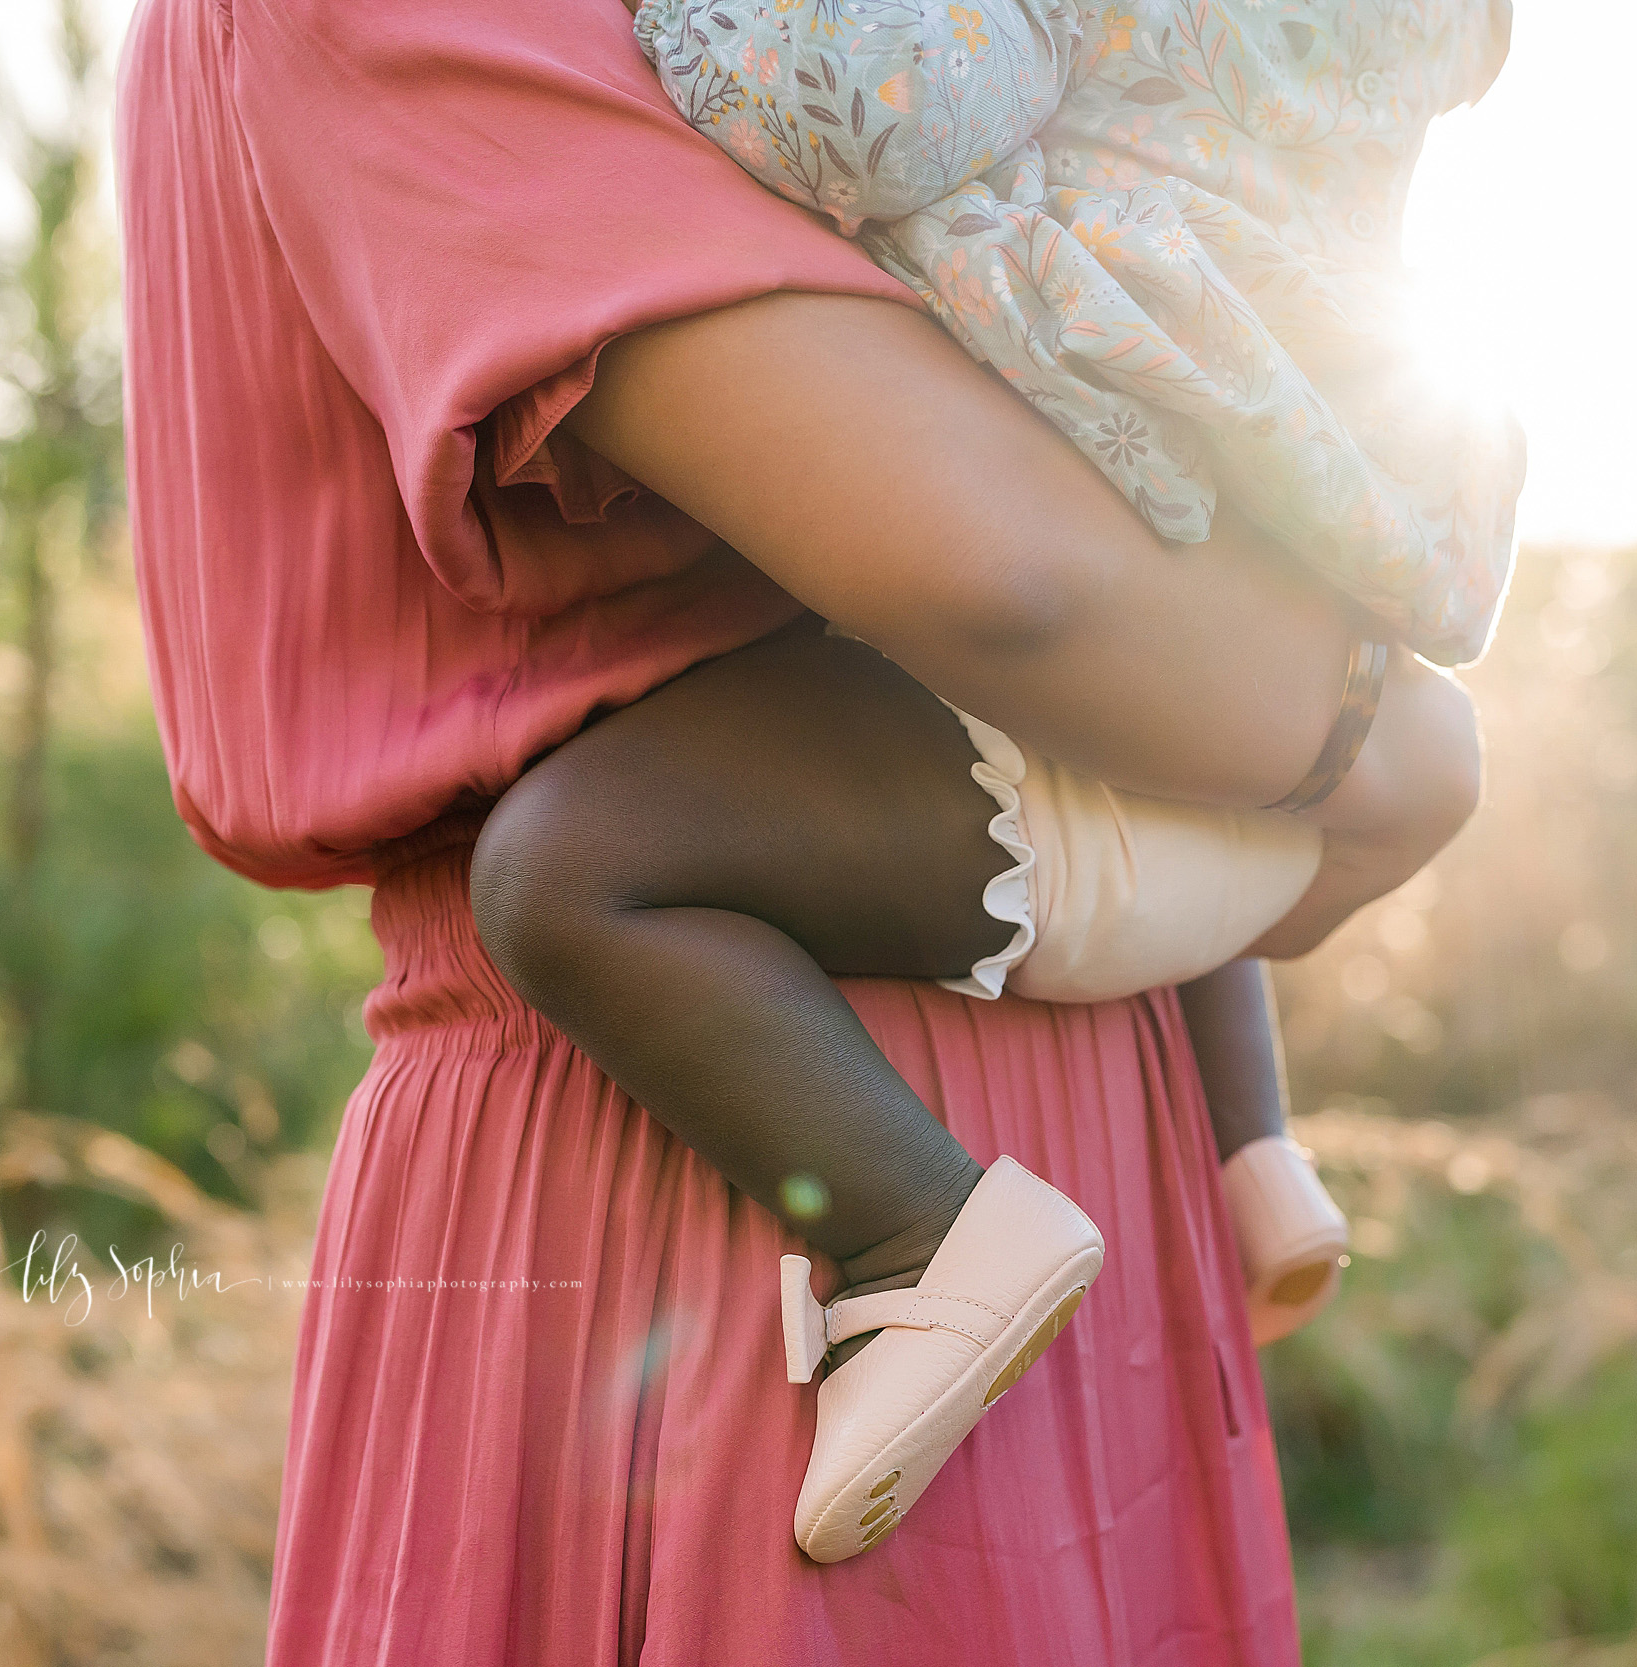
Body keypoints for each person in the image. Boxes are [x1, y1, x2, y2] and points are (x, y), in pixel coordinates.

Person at [118, 0, 1481, 1653]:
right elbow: (1005, 573)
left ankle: (1137, 1191)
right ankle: (1191, 1177)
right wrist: (1361, 725)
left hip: (921, 1064)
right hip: (702, 1150)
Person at [464, 0, 1518, 1566]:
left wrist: (692, 27)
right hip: (1279, 503)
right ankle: (1261, 1151)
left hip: (1088, 457)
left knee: (565, 869)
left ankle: (922, 1230)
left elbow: (863, 113)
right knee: (1201, 725)